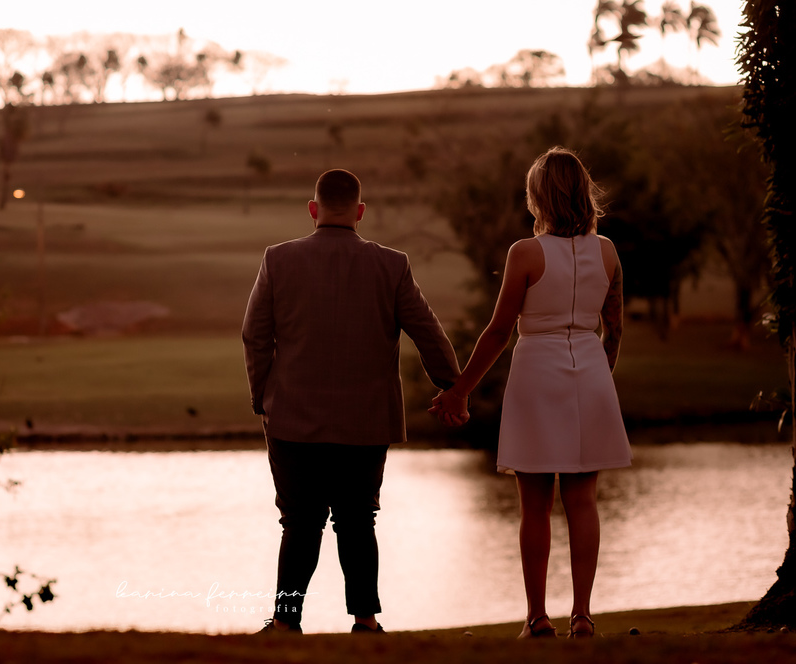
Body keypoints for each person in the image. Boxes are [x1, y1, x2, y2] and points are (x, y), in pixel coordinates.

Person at [242, 168, 460, 634]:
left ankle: (285, 622)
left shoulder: (278, 259)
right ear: (360, 212)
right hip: (366, 420)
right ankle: (365, 619)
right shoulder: (391, 265)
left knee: (299, 522)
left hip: (292, 417)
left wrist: (263, 396)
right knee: (358, 518)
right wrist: (451, 387)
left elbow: (255, 336)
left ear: (313, 209)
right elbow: (428, 332)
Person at [431, 146, 631, 640]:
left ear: (538, 196)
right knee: (583, 502)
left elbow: (499, 332)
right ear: (583, 192)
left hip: (537, 372)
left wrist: (460, 391)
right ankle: (582, 615)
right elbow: (615, 327)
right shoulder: (606, 251)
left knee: (535, 506)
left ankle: (536, 617)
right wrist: (599, 373)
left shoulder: (526, 253)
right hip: (589, 369)